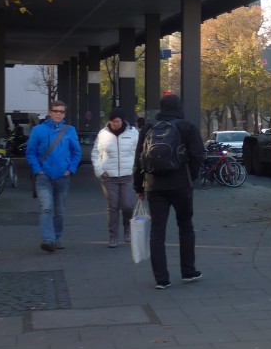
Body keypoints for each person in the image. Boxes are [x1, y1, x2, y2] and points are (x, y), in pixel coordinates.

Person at [133, 94, 205, 289]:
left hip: (154, 186)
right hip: (181, 184)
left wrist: (138, 186)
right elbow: (198, 154)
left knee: (157, 231)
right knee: (185, 225)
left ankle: (161, 279)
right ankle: (188, 271)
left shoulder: (148, 128)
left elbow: (139, 159)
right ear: (178, 107)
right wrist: (192, 175)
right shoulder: (186, 127)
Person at [25, 101, 82, 252]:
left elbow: (77, 153)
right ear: (49, 112)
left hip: (63, 177)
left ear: (64, 114)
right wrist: (38, 170)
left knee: (60, 212)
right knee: (46, 208)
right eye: (55, 111)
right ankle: (48, 240)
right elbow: (30, 152)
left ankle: (56, 238)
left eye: (61, 112)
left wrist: (70, 169)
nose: (58, 114)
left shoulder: (70, 130)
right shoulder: (38, 130)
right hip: (44, 177)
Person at [92, 107, 139, 248]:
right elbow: (96, 154)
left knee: (128, 206)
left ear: (122, 120)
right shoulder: (103, 134)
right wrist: (100, 170)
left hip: (127, 176)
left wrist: (137, 169)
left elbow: (139, 151)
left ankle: (127, 228)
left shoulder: (133, 133)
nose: (115, 124)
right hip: (109, 177)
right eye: (113, 121)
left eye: (118, 121)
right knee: (113, 207)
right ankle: (113, 236)